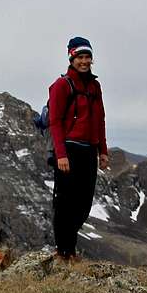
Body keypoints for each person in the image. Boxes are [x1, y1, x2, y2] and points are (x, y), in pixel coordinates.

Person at [48, 36, 109, 261]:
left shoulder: (95, 86)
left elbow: (100, 119)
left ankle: (68, 248)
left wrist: (103, 150)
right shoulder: (61, 86)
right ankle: (65, 251)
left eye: (88, 57)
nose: (84, 61)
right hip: (69, 150)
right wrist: (61, 154)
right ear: (71, 58)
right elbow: (54, 122)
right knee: (64, 203)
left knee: (83, 204)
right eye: (80, 57)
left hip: (88, 151)